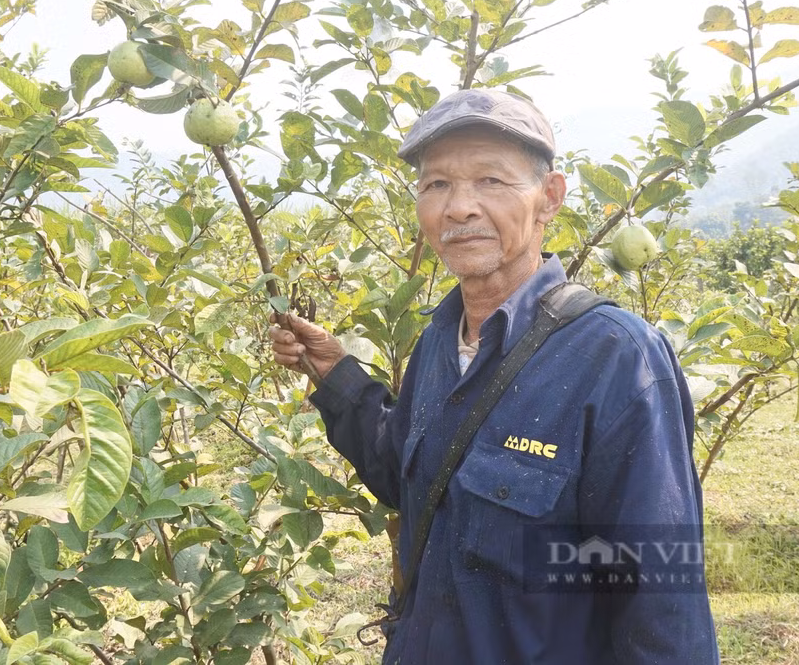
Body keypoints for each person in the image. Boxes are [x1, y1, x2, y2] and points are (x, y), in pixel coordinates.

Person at [270, 89, 720, 663]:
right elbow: (406, 477)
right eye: (436, 184)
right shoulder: (439, 339)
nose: (459, 208)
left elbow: (660, 605)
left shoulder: (617, 359)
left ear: (548, 198)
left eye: (491, 180)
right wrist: (333, 371)